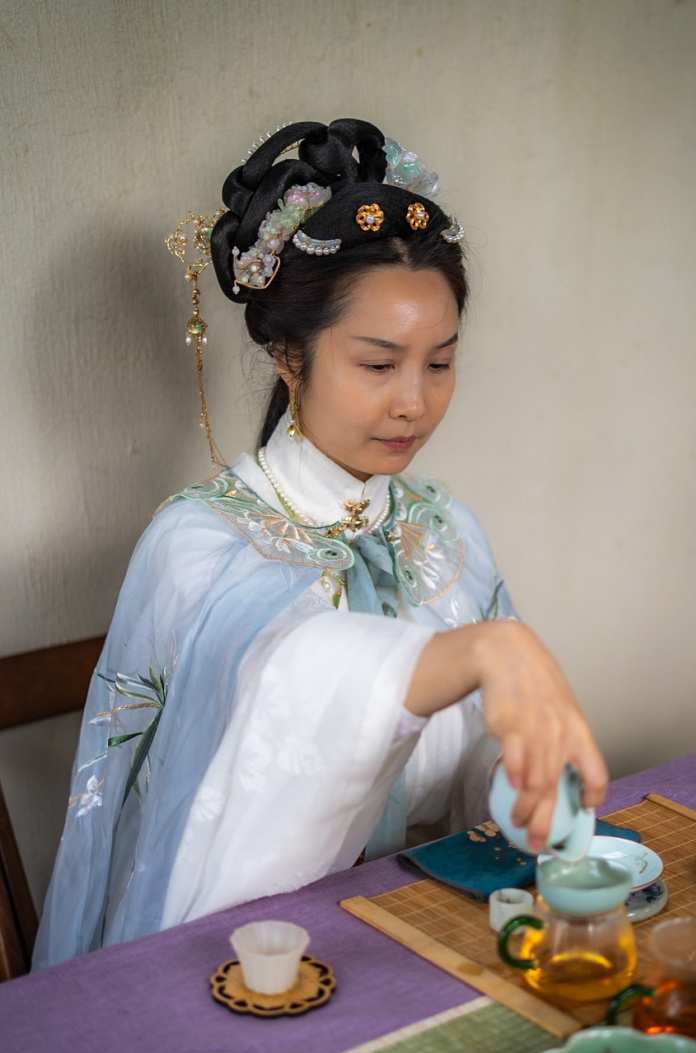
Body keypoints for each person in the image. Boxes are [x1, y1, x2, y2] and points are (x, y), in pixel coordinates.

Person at [33, 119, 607, 968]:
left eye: (440, 363)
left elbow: (488, 753)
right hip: (238, 955)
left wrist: (522, 786)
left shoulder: (443, 529)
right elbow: (286, 683)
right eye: (378, 365)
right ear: (288, 355)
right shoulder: (196, 541)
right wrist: (485, 650)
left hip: (413, 935)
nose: (414, 403)